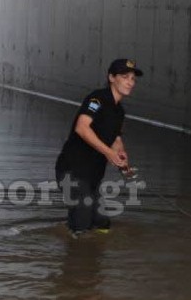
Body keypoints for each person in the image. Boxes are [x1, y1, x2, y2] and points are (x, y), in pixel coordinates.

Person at [55, 59, 143, 237]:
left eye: (133, 79)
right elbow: (82, 127)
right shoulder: (97, 99)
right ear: (111, 77)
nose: (130, 82)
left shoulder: (120, 111)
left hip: (92, 176)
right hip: (72, 170)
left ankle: (93, 253)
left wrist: (121, 154)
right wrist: (109, 152)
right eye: (125, 77)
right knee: (82, 220)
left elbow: (115, 137)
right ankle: (77, 255)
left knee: (102, 222)